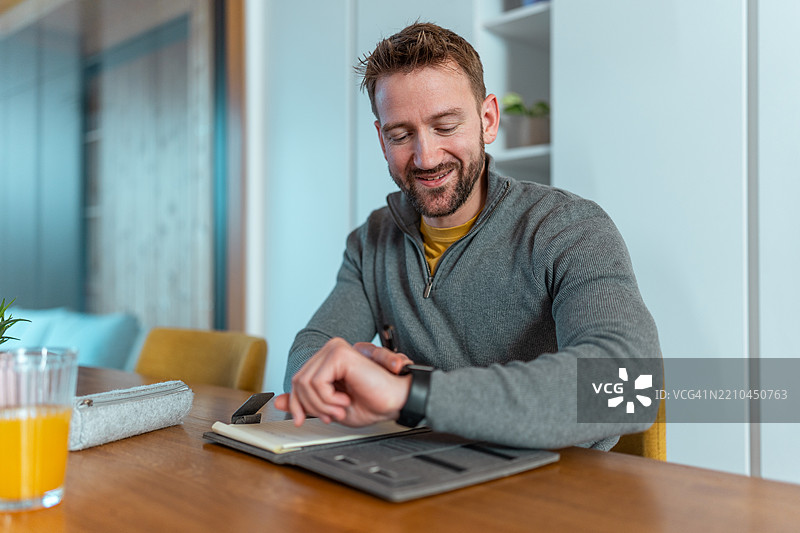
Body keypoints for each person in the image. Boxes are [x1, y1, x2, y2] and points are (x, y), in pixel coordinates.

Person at [274, 22, 662, 450]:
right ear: (382, 141)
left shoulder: (569, 228)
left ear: (488, 120)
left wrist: (410, 394)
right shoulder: (372, 240)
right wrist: (351, 368)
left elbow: (628, 385)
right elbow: (311, 352)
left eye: (445, 126)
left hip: (552, 490)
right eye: (400, 135)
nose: (426, 156)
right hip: (421, 474)